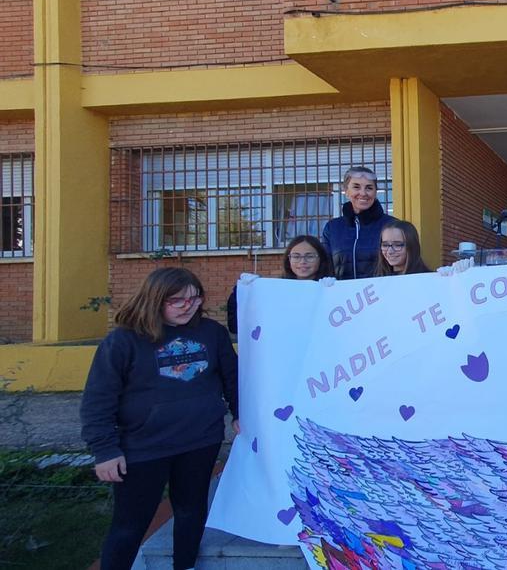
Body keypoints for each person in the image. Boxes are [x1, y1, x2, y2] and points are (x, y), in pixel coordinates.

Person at [81, 267, 238, 570]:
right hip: (143, 448)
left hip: (200, 441)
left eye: (194, 299)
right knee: (130, 525)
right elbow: (98, 400)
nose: (187, 307)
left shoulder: (211, 333)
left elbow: (232, 377)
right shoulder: (123, 341)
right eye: (177, 300)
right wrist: (105, 450)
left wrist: (239, 413)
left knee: (191, 511)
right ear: (154, 299)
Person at [226, 234, 333, 335]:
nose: (302, 261)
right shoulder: (274, 292)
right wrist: (244, 292)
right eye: (296, 256)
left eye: (310, 256)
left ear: (321, 259)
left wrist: (334, 292)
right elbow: (235, 326)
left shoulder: (332, 289)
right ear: (288, 260)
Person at [321, 166, 398, 280]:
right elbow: (324, 267)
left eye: (369, 188)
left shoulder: (392, 225)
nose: (363, 193)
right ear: (346, 191)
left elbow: (404, 264)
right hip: (344, 291)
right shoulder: (332, 228)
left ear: (375, 192)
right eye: (356, 187)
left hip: (383, 290)